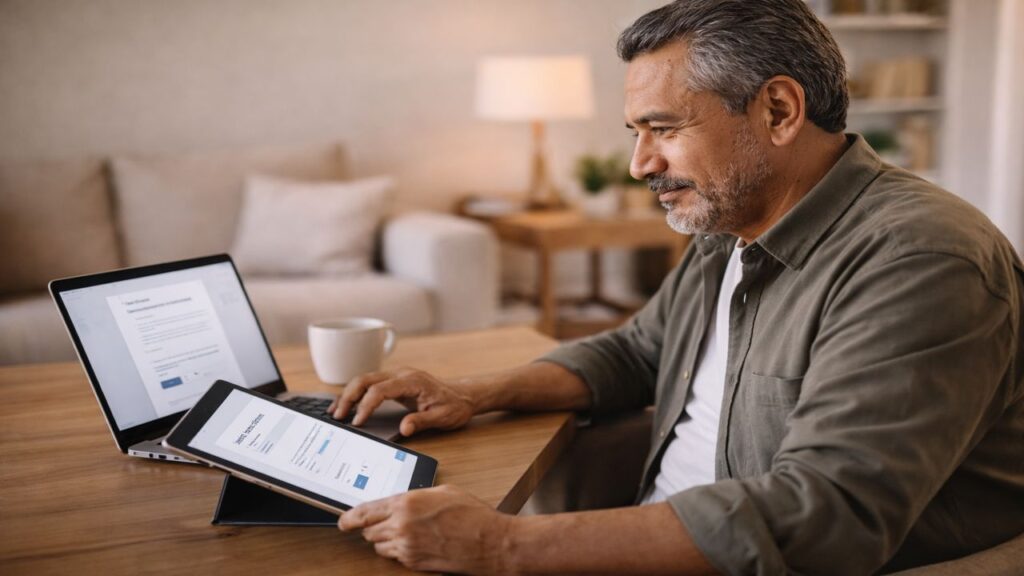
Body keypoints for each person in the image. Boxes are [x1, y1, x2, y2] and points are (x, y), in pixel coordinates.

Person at [328, 0, 1024, 573]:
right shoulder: (734, 221)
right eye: (635, 131)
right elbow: (638, 351)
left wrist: (500, 546)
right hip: (667, 530)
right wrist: (472, 393)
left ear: (779, 111)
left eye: (662, 128)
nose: (639, 164)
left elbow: (827, 515)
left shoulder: (921, 259)